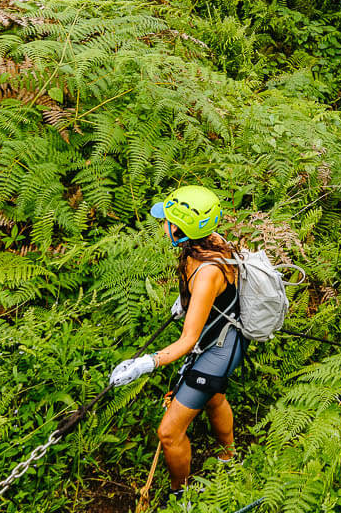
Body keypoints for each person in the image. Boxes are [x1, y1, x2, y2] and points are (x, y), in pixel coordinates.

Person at [109, 186, 246, 495]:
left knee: (169, 433)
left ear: (183, 230)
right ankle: (229, 454)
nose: (165, 225)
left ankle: (179, 494)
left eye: (169, 220)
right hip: (222, 339)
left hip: (219, 349)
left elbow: (187, 340)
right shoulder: (212, 242)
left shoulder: (208, 271)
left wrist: (145, 364)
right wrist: (185, 300)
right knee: (213, 398)